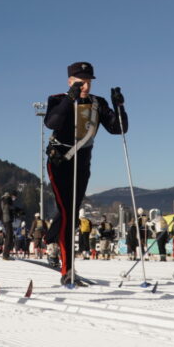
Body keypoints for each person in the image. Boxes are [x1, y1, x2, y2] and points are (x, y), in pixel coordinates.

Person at [43, 62, 127, 286]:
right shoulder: (58, 98)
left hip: (83, 163)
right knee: (67, 212)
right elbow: (51, 122)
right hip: (60, 160)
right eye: (80, 81)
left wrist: (120, 107)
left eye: (88, 81)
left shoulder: (97, 103)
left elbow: (118, 128)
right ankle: (67, 268)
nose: (85, 85)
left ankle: (54, 244)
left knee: (71, 210)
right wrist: (69, 100)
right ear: (70, 81)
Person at [0, 190, 22, 260]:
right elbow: (7, 208)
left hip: (6, 219)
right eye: (15, 196)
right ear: (12, 195)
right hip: (7, 219)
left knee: (9, 237)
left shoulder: (5, 198)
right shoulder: (7, 198)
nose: (15, 198)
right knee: (9, 237)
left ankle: (6, 254)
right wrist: (16, 209)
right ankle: (5, 255)